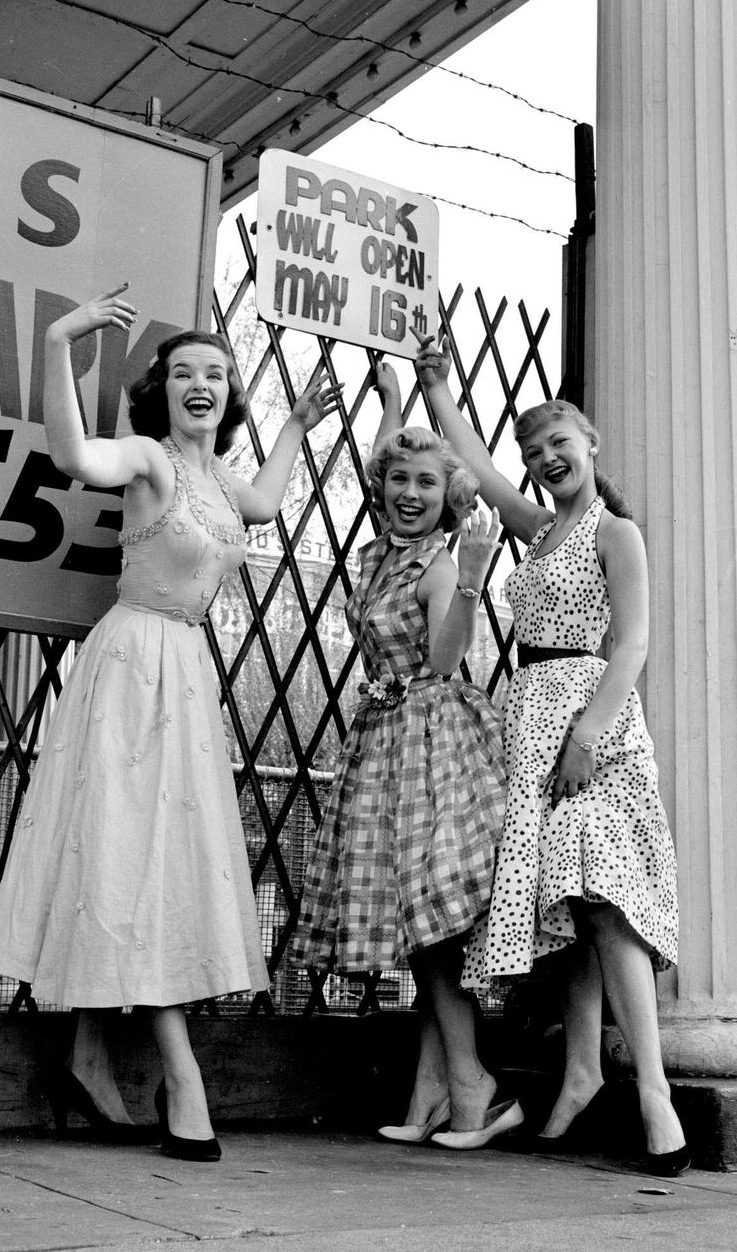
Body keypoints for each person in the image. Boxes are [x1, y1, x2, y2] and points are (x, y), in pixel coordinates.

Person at [0, 285, 340, 1163]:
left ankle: (92, 1055)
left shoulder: (218, 479)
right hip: (132, 663)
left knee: (150, 856)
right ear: (163, 390)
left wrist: (297, 425)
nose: (201, 384)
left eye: (216, 372)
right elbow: (72, 454)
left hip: (185, 671)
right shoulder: (150, 458)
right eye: (185, 373)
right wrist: (61, 338)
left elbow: (265, 503)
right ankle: (184, 1078)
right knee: (125, 846)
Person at [417, 335, 689, 1175]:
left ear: (590, 442)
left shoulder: (618, 532)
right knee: (563, 909)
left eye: (558, 443)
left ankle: (652, 1090)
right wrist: (437, 389)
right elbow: (474, 458)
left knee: (603, 892)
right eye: (534, 452)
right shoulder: (537, 528)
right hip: (529, 716)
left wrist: (588, 735)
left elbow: (635, 642)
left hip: (591, 718)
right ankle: (578, 1075)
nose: (544, 460)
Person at [290, 357, 521, 1150]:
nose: (411, 493)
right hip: (385, 740)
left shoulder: (440, 561)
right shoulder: (382, 551)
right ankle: (435, 1092)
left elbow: (449, 659)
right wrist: (390, 403)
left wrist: (472, 584)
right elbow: (382, 460)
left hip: (433, 738)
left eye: (427, 482)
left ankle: (476, 1088)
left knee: (434, 921)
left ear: (446, 494)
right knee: (418, 921)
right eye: (400, 481)